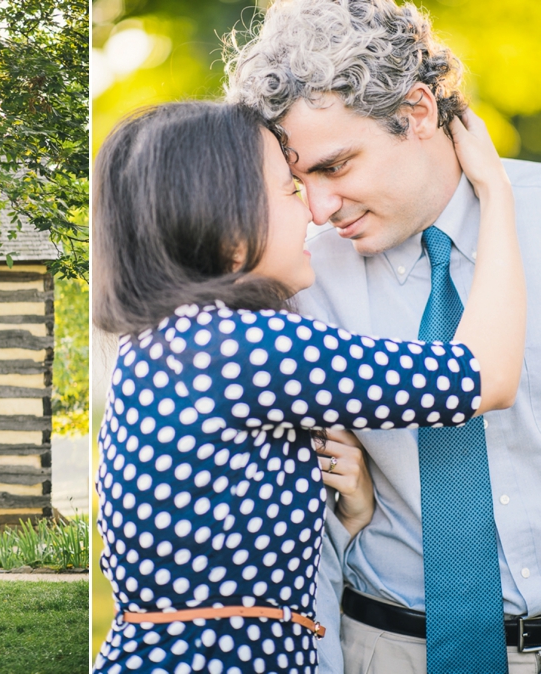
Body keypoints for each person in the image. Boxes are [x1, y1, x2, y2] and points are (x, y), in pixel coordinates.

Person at [91, 98, 523, 674]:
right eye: (288, 192)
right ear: (224, 220)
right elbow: (483, 376)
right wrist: (494, 191)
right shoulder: (245, 345)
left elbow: (231, 535)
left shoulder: (175, 342)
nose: (314, 214)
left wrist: (352, 510)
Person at [226, 0, 541, 672]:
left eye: (336, 167)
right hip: (382, 647)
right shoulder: (294, 279)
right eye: (299, 178)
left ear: (418, 114)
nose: (319, 207)